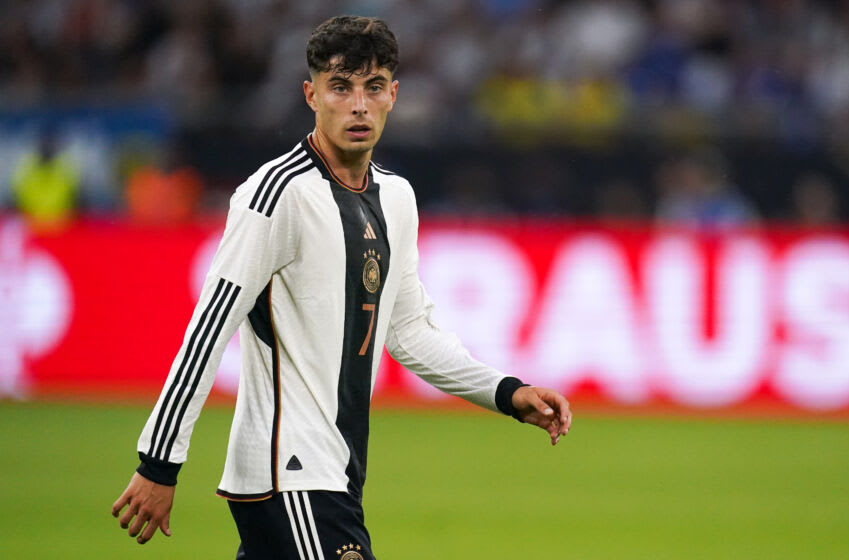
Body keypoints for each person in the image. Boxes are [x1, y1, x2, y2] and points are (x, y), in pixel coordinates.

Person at [111, 15, 572, 560]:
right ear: (311, 95)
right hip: (290, 473)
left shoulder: (396, 198)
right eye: (340, 87)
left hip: (338, 470)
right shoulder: (276, 194)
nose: (358, 105)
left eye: (373, 87)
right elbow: (210, 328)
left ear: (393, 95)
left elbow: (409, 330)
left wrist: (506, 392)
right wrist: (159, 463)